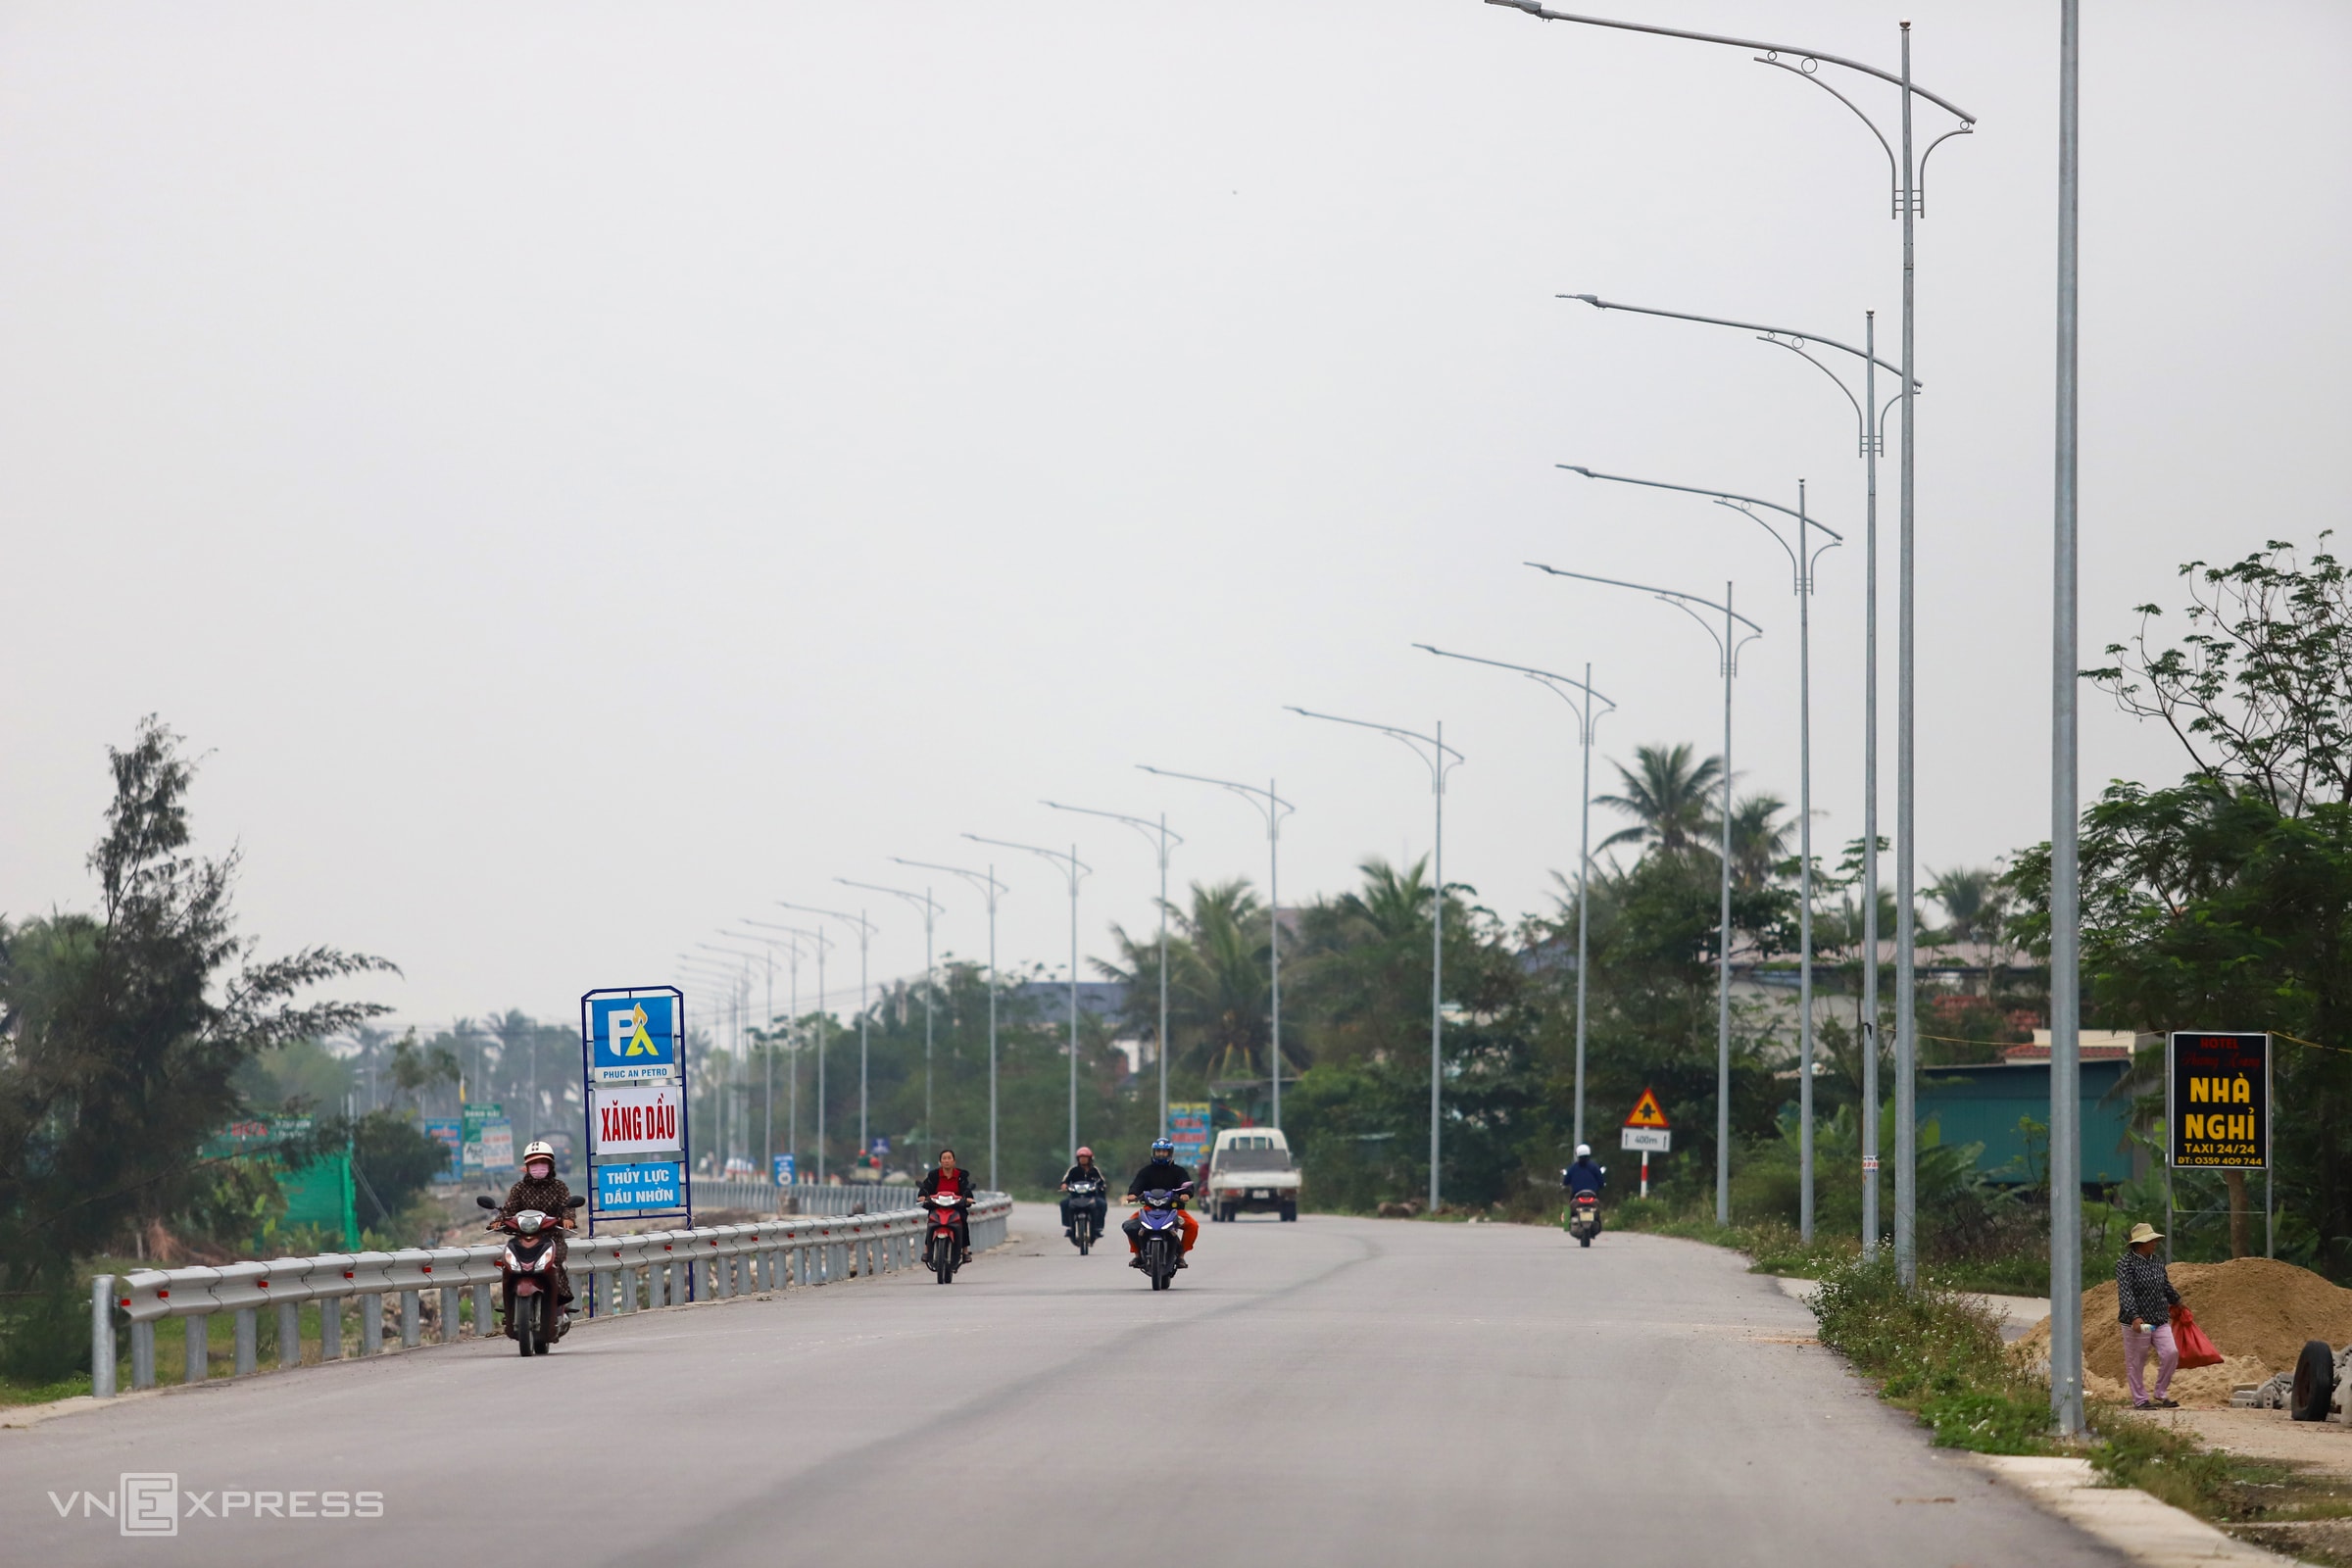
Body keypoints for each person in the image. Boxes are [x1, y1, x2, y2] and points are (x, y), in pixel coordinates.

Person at [497, 1140, 577, 1325]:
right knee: (508, 1266)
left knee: (555, 1263)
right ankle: (509, 1304)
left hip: (552, 1237)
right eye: (533, 1163)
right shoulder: (519, 1188)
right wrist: (498, 1220)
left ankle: (558, 1306)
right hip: (523, 1238)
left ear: (550, 1165)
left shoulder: (559, 1187)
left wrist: (568, 1218)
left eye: (542, 1163)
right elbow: (508, 1209)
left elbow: (568, 1207)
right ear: (526, 1166)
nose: (538, 1167)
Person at [2118, 1221, 2183, 1410]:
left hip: (2158, 1321)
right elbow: (2126, 1293)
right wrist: (2134, 1316)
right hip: (2140, 1323)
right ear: (2140, 1244)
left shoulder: (2157, 1261)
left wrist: (2178, 1301)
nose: (2155, 1243)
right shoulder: (2125, 1264)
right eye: (2151, 1241)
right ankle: (2140, 1400)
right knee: (2137, 1361)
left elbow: (2165, 1285)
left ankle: (2160, 1392)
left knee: (2171, 1352)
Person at [1122, 1137, 1200, 1269]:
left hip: (1174, 1209)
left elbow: (1186, 1184)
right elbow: (1137, 1184)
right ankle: (1137, 1254)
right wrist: (1133, 1194)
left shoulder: (1179, 1171)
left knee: (1193, 1226)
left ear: (1170, 1153)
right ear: (1154, 1152)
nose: (1161, 1154)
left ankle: (1181, 1255)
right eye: (1158, 1151)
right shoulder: (1146, 1171)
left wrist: (1186, 1194)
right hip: (1150, 1208)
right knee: (1130, 1225)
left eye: (1164, 1151)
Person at [917, 1149, 975, 1264]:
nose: (947, 1161)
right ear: (940, 1161)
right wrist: (923, 1196)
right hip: (937, 1206)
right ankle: (927, 1250)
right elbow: (926, 1187)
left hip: (956, 1206)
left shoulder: (961, 1176)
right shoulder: (934, 1175)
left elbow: (966, 1189)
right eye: (944, 1158)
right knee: (931, 1222)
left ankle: (965, 1251)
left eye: (949, 1158)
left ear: (954, 1161)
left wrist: (967, 1198)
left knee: (963, 1221)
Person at [1058, 1147, 1109, 1241]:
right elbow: (1065, 1181)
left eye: (1085, 1158)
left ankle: (1097, 1228)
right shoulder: (1073, 1170)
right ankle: (1069, 1227)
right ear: (1078, 1159)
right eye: (1081, 1158)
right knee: (1064, 1204)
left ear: (1090, 1159)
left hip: (1092, 1196)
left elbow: (1102, 1181)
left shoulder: (1095, 1170)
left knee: (1102, 1204)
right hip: (1075, 1197)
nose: (1083, 1160)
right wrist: (1064, 1185)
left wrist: (1101, 1186)